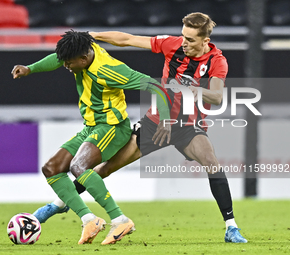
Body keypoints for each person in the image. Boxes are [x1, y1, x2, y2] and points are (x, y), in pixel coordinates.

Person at [32, 12, 247, 243]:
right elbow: (127, 39)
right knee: (104, 169)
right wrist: (94, 35)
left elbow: (216, 96)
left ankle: (231, 228)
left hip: (188, 126)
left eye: (190, 40)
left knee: (212, 162)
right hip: (156, 123)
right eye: (183, 37)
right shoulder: (172, 45)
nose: (184, 43)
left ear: (205, 41)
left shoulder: (217, 61)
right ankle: (59, 204)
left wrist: (192, 89)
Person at [11, 30, 171, 245]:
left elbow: (157, 87)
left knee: (79, 166)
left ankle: (120, 220)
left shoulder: (110, 70)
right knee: (51, 168)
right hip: (92, 127)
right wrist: (30, 68)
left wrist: (166, 121)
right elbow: (57, 59)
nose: (66, 66)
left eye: (69, 64)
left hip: (113, 128)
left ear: (84, 59)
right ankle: (89, 219)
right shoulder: (81, 50)